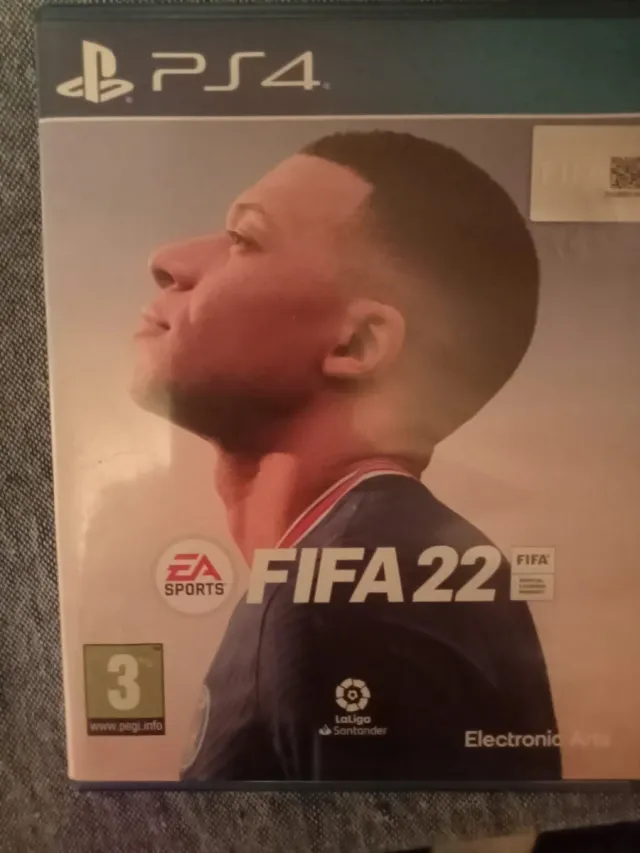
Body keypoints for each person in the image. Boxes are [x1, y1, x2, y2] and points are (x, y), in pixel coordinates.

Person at [132, 130, 561, 782]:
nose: (168, 260)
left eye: (244, 237)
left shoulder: (343, 596)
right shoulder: (366, 568)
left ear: (356, 345)